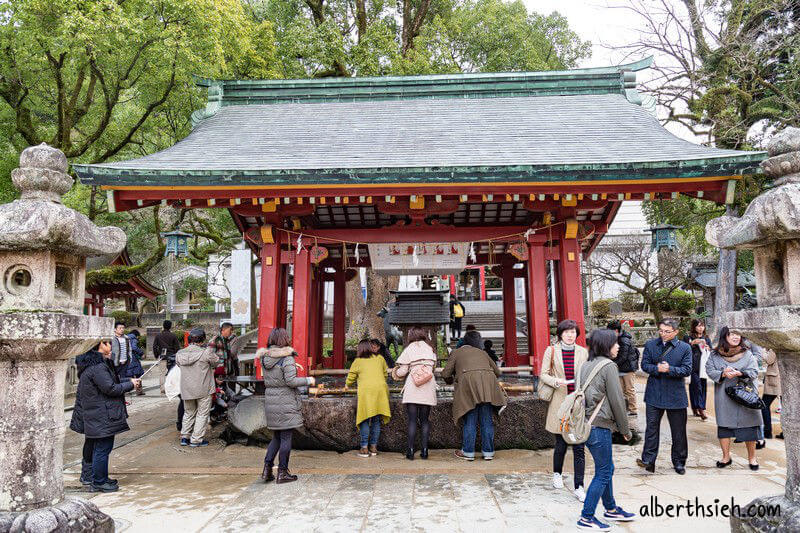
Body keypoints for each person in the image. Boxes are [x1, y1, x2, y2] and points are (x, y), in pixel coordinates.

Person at [577, 329, 635, 531]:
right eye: (614, 343)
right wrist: (625, 429)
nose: (618, 346)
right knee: (603, 471)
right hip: (599, 425)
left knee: (606, 467)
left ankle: (610, 509)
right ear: (605, 345)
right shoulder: (609, 366)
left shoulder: (586, 364)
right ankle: (586, 517)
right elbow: (617, 401)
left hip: (586, 423)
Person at [69, 339, 141, 493]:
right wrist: (131, 385)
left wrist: (128, 381)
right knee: (102, 448)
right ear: (99, 346)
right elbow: (110, 388)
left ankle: (94, 477)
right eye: (107, 343)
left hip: (95, 412)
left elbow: (108, 383)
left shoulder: (93, 366)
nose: (110, 345)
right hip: (101, 414)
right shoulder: (98, 367)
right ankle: (99, 481)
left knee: (95, 447)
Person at [540, 319, 588, 501]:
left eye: (573, 332)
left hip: (577, 402)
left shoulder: (583, 352)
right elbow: (543, 373)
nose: (570, 335)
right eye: (567, 332)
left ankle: (579, 486)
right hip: (560, 401)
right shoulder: (551, 351)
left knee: (579, 444)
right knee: (560, 443)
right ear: (560, 334)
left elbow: (586, 373)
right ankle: (557, 474)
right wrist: (555, 381)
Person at [258, 328, 315, 483]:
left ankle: (267, 469)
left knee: (276, 436)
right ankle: (282, 472)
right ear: (284, 340)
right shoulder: (287, 358)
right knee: (285, 437)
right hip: (285, 401)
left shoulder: (264, 358)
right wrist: (308, 380)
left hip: (271, 399)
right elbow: (291, 381)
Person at [637, 318, 692, 475]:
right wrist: (656, 369)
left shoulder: (684, 348)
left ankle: (679, 461)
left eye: (667, 331)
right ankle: (648, 461)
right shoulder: (650, 345)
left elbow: (687, 369)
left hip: (676, 394)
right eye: (661, 330)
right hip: (654, 393)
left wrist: (670, 369)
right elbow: (644, 365)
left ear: (676, 332)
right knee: (652, 429)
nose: (663, 334)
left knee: (678, 431)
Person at [442, 330, 506, 461]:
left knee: (470, 420)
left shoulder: (456, 352)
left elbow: (445, 373)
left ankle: (468, 452)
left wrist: (452, 380)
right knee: (486, 420)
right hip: (488, 388)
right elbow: (497, 372)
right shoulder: (483, 353)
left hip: (468, 388)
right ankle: (488, 452)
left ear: (464, 341)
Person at [705, 327, 762, 470]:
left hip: (746, 396)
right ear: (725, 336)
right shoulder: (715, 354)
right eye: (732, 334)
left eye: (738, 334)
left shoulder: (747, 353)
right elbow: (709, 370)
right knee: (724, 427)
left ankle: (752, 458)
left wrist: (740, 373)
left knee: (750, 428)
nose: (736, 337)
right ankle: (726, 457)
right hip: (725, 396)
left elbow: (755, 371)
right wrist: (723, 374)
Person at [392, 326, 438, 460]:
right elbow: (432, 368)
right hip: (428, 387)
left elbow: (402, 371)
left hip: (413, 387)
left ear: (411, 335)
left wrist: (395, 372)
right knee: (424, 421)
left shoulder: (410, 349)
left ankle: (410, 451)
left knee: (412, 421)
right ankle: (425, 451)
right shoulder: (430, 349)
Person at [346, 339, 391, 457]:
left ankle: (364, 448)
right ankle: (374, 447)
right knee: (376, 420)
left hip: (366, 391)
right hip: (381, 391)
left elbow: (351, 378)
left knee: (365, 419)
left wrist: (347, 385)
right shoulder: (380, 359)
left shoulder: (358, 361)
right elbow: (385, 374)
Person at [176, 328, 218, 447]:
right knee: (202, 414)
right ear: (202, 340)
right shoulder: (206, 352)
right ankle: (196, 440)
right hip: (203, 388)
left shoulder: (179, 353)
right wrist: (211, 347)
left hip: (187, 389)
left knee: (188, 412)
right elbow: (216, 362)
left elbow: (179, 365)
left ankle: (185, 437)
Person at [154, 320, 183, 427]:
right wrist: (176, 354)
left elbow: (154, 346)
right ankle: (172, 388)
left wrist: (157, 355)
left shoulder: (158, 335)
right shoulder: (173, 336)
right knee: (172, 374)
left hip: (162, 357)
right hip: (172, 357)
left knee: (161, 373)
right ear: (170, 326)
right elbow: (177, 347)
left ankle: (163, 388)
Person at [606, 320, 639, 415]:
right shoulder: (616, 338)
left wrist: (611, 364)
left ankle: (633, 410)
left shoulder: (624, 340)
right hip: (619, 367)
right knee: (621, 390)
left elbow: (623, 357)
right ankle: (625, 408)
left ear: (616, 331)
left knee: (629, 390)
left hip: (628, 368)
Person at [683, 318, 712, 420]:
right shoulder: (688, 337)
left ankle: (696, 407)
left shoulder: (706, 338)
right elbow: (683, 349)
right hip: (692, 366)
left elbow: (710, 350)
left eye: (702, 326)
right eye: (699, 326)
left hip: (703, 367)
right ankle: (701, 409)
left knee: (703, 387)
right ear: (694, 327)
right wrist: (692, 343)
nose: (701, 328)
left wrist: (707, 347)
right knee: (696, 386)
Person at [759, 349, 781, 446]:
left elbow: (769, 360)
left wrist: (763, 351)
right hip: (782, 379)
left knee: (764, 404)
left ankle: (767, 431)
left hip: (774, 380)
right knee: (787, 407)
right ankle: (785, 432)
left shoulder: (775, 346)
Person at [123, 329, 145, 395]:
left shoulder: (125, 338)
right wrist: (141, 353)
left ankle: (127, 390)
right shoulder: (133, 338)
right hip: (133, 359)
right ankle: (139, 391)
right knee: (139, 374)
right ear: (137, 335)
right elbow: (134, 347)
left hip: (127, 358)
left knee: (129, 375)